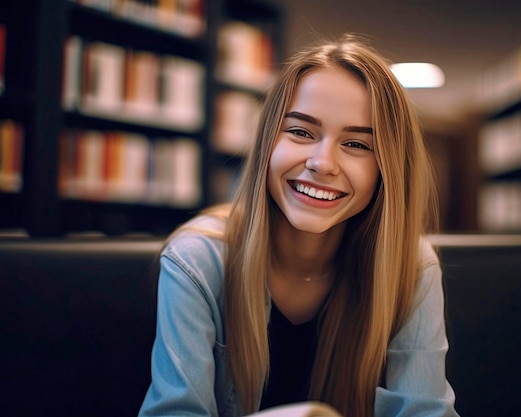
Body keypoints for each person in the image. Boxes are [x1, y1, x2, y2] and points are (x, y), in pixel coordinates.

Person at [138, 34, 459, 417]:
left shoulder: (411, 266)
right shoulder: (198, 262)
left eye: (357, 144)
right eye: (301, 132)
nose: (323, 163)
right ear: (267, 144)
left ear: (386, 171)